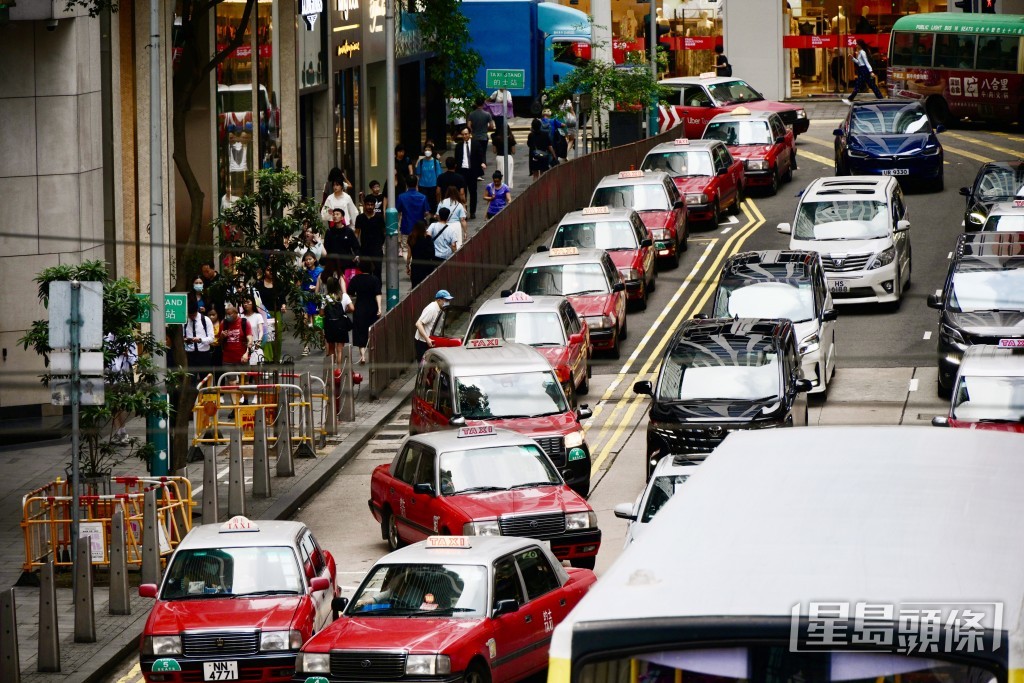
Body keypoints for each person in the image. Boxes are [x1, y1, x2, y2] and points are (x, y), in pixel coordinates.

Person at [348, 260, 382, 365]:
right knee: (372, 331)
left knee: (360, 332)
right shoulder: (374, 279)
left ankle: (362, 356)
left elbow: (350, 293)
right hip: (372, 307)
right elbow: (378, 294)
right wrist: (379, 308)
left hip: (359, 308)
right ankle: (372, 355)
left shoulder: (355, 279)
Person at [320, 276, 354, 368]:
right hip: (341, 324)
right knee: (340, 349)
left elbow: (321, 313)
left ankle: (331, 370)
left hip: (330, 324)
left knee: (331, 348)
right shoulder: (344, 296)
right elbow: (352, 308)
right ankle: (339, 370)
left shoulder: (325, 298)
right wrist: (344, 311)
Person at [254, 267, 285, 363]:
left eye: (272, 270)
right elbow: (256, 300)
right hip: (264, 313)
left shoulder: (279, 283)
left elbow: (282, 297)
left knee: (277, 337)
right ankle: (268, 359)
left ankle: (277, 358)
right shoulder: (258, 284)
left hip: (277, 312)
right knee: (267, 337)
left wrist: (283, 305)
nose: (270, 272)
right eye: (268, 270)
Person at [395, 174, 430, 257]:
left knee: (406, 249)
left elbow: (397, 211)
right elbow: (426, 213)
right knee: (419, 250)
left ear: (406, 184)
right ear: (416, 183)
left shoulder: (401, 197)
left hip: (406, 227)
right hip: (420, 229)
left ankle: (408, 266)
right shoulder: (423, 197)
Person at [414, 290, 454, 361]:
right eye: (446, 300)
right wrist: (427, 338)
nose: (448, 302)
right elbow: (418, 324)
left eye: (449, 300)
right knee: (423, 364)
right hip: (423, 342)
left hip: (432, 340)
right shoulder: (432, 309)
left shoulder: (441, 308)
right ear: (439, 300)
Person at [323, 208, 360, 283]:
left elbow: (355, 246)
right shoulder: (329, 232)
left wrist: (357, 255)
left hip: (346, 262)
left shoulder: (349, 231)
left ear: (342, 217)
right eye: (333, 215)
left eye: (337, 214)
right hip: (333, 263)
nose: (335, 216)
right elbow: (326, 247)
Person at [454, 127, 484, 219]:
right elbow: (457, 159)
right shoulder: (458, 146)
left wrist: (482, 163)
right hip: (462, 171)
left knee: (473, 192)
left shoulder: (476, 144)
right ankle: (464, 211)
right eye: (463, 134)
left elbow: (480, 155)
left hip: (472, 170)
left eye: (466, 134)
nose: (465, 136)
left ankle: (472, 211)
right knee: (463, 193)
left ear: (470, 134)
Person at [355, 195, 386, 276]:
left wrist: (381, 244)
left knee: (377, 271)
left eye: (372, 205)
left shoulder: (379, 217)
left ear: (374, 206)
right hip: (364, 249)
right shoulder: (360, 218)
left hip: (377, 249)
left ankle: (377, 288)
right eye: (368, 204)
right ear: (365, 205)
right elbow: (356, 233)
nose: (370, 206)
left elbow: (384, 232)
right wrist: (356, 249)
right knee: (365, 272)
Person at [300, 250, 324, 356]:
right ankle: (306, 346)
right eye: (306, 260)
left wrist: (316, 288)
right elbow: (298, 285)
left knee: (317, 324)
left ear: (314, 260)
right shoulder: (303, 272)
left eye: (310, 259)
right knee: (304, 324)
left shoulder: (320, 271)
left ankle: (323, 339)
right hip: (305, 299)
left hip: (316, 299)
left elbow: (323, 285)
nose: (308, 261)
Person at [184, 298, 215, 380]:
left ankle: (206, 393)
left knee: (206, 379)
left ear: (197, 311)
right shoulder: (185, 321)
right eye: (190, 315)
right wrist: (186, 340)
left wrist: (200, 340)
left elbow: (211, 338)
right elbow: (182, 336)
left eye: (193, 315)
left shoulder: (205, 320)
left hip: (204, 354)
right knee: (191, 380)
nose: (192, 317)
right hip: (190, 355)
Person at [219, 302, 253, 372]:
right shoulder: (223, 323)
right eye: (226, 314)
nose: (228, 316)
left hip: (242, 358)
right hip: (228, 359)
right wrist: (222, 336)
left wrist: (246, 353)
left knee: (244, 381)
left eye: (230, 314)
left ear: (236, 313)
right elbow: (219, 342)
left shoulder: (244, 322)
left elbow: (250, 338)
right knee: (231, 382)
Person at [467, 96, 495, 173]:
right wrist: (486, 129)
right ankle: (483, 164)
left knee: (475, 152)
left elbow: (468, 125)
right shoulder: (487, 114)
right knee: (483, 152)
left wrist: (472, 131)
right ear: (483, 104)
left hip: (475, 137)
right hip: (484, 137)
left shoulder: (471, 114)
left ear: (476, 104)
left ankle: (476, 165)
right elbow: (492, 126)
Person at [414, 141, 443, 213]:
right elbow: (418, 175)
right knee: (423, 202)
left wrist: (438, 187)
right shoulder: (421, 162)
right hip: (422, 186)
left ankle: (432, 217)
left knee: (433, 203)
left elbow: (439, 175)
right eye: (426, 150)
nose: (427, 151)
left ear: (432, 151)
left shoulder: (435, 162)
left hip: (433, 186)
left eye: (429, 150)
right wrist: (416, 186)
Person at [407, 220, 437, 287]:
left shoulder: (411, 238)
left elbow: (409, 255)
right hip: (426, 266)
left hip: (415, 266)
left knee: (415, 286)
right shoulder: (427, 239)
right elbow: (432, 253)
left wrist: (407, 266)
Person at [240, 297, 266, 365]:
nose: (246, 304)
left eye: (248, 302)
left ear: (253, 303)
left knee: (255, 369)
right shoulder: (240, 316)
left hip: (254, 345)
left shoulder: (258, 316)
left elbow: (261, 330)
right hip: (242, 346)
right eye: (244, 303)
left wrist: (259, 340)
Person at [491, 122, 516, 190]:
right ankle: (507, 188)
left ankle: (500, 188)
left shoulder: (496, 139)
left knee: (500, 173)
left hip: (499, 157)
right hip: (509, 157)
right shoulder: (511, 138)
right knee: (509, 174)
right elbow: (513, 151)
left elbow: (494, 151)